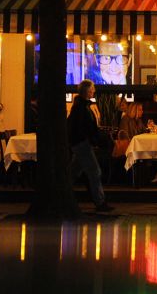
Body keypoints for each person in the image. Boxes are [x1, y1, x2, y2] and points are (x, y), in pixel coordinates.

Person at [67, 79, 112, 212]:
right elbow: (86, 128)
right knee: (94, 172)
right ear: (87, 91)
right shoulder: (83, 108)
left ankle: (61, 193)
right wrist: (97, 139)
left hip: (79, 143)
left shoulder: (80, 106)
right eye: (92, 89)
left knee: (72, 172)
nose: (94, 91)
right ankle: (100, 202)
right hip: (82, 143)